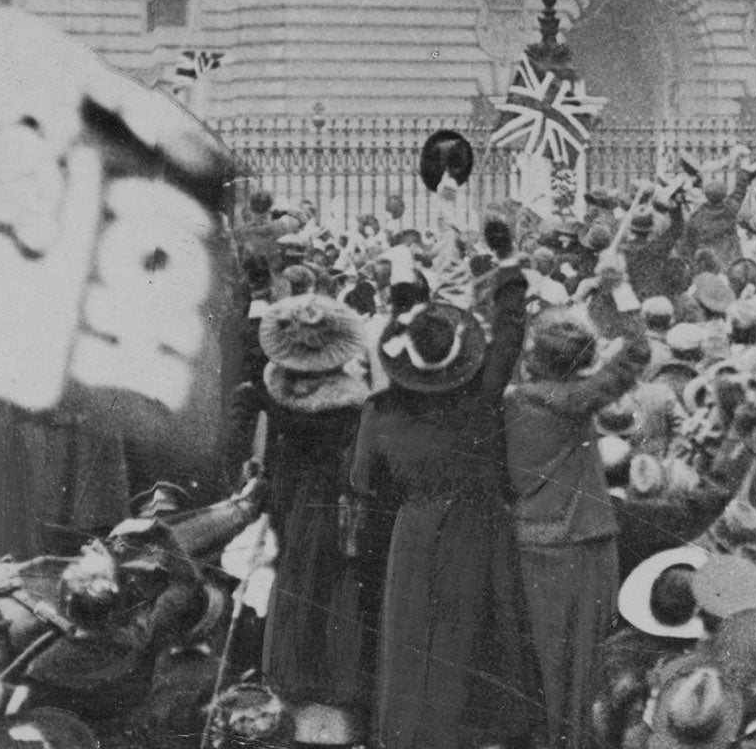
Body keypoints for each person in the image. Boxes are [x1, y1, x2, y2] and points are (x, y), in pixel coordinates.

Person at [348, 251, 543, 749]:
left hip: (415, 529)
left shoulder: (382, 411)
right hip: (480, 524)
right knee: (483, 629)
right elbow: (508, 340)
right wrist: (509, 277)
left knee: (416, 632)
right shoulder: (480, 399)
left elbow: (364, 481)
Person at [502, 307, 650, 749]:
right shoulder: (574, 401)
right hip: (583, 541)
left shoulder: (508, 400)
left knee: (538, 653)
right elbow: (635, 354)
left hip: (529, 536)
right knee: (586, 655)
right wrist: (620, 296)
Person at [251, 291, 377, 745]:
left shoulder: (278, 391)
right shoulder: (354, 405)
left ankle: (292, 669)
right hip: (336, 502)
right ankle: (335, 676)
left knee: (295, 576)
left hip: (291, 497)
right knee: (337, 584)